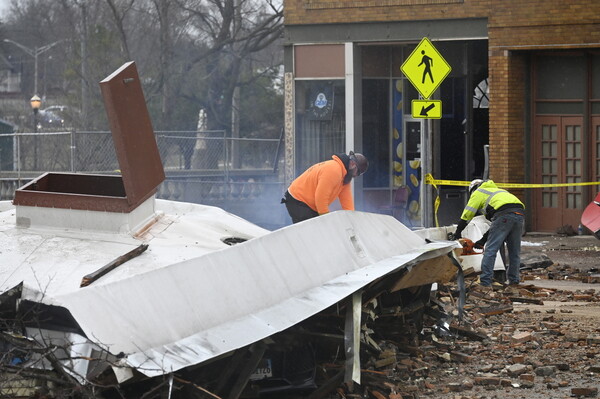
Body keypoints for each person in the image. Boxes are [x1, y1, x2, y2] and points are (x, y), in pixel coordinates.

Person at [452, 179, 525, 288]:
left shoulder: (478, 192)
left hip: (504, 215)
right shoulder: (498, 191)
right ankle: (514, 281)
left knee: (490, 250)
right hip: (519, 214)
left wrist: (457, 233)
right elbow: (495, 226)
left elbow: (467, 215)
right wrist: (482, 240)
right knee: (514, 251)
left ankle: (485, 282)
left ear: (473, 189)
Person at [282, 151, 369, 224]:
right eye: (358, 173)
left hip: (309, 204)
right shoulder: (334, 170)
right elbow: (321, 197)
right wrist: (326, 220)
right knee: (309, 232)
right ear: (353, 165)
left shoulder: (345, 176)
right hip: (297, 199)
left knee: (316, 231)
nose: (356, 176)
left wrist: (352, 220)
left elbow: (347, 203)